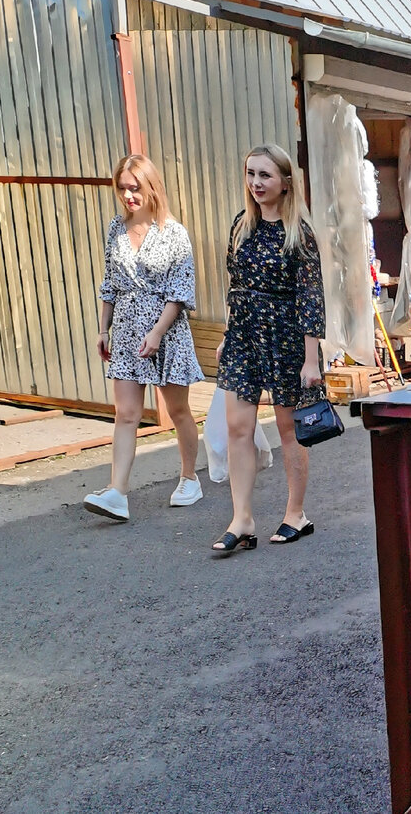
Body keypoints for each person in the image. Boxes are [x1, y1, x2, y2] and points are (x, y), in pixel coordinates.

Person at [212, 144, 326, 553]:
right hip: (243, 334)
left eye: (265, 175)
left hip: (286, 335)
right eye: (251, 174)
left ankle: (296, 513)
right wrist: (228, 332)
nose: (256, 183)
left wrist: (311, 359)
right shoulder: (241, 225)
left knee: (288, 429)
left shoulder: (300, 233)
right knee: (238, 427)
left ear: (285, 181)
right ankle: (242, 518)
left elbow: (311, 295)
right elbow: (233, 283)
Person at [84, 154, 205, 522]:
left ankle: (189, 477)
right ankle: (118, 492)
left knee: (178, 410)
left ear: (151, 187)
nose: (128, 195)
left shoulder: (174, 232)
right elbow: (110, 283)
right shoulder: (115, 229)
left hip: (165, 330)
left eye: (134, 188)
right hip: (125, 329)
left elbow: (180, 291)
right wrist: (103, 329)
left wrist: (157, 332)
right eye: (122, 188)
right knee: (126, 414)